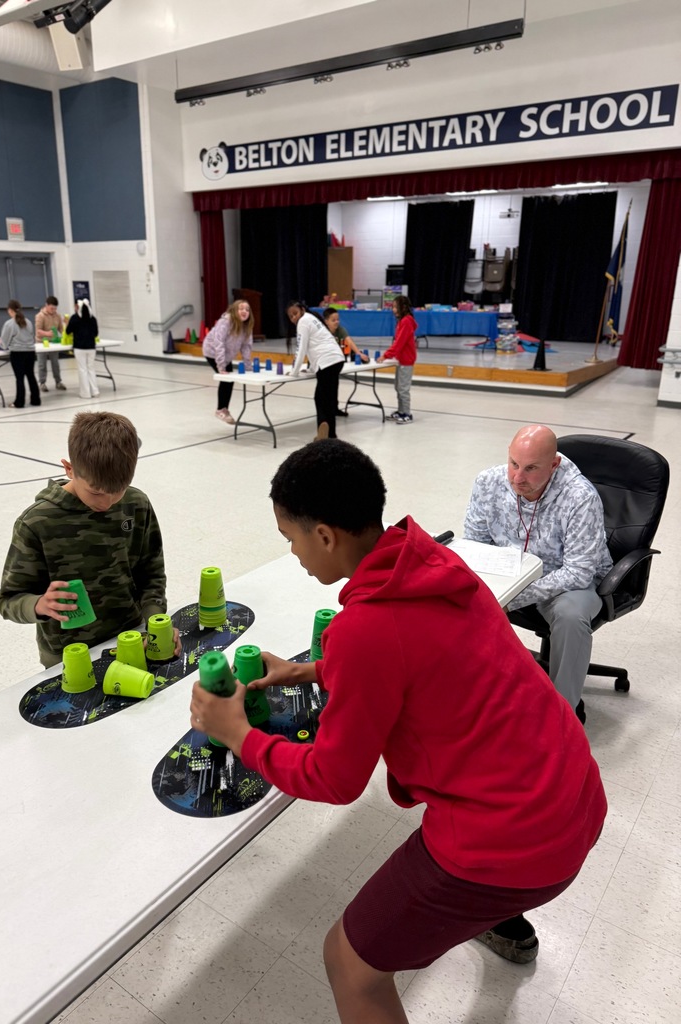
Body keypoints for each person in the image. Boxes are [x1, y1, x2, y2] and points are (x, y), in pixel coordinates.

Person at [190, 439, 606, 1024]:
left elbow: (333, 779)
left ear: (327, 536)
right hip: (575, 795)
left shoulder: (365, 630)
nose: (295, 554)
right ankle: (486, 916)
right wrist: (312, 668)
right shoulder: (428, 560)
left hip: (514, 840)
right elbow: (413, 650)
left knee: (348, 962)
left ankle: (485, 906)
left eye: (292, 539)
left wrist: (236, 733)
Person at [0, 411, 175, 668]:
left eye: (117, 491)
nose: (107, 502)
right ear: (69, 469)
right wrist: (39, 604)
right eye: (96, 492)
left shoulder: (136, 504)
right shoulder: (37, 523)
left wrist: (156, 624)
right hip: (68, 656)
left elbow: (151, 572)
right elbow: (8, 600)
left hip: (133, 637)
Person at [463, 423, 613, 723]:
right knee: (462, 601)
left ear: (554, 465)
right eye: (514, 464)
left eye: (531, 468)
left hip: (565, 580)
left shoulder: (580, 496)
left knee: (571, 616)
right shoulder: (488, 481)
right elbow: (474, 544)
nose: (518, 478)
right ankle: (480, 701)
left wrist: (511, 598)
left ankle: (561, 718)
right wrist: (488, 591)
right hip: (511, 570)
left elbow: (579, 572)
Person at [286, 300, 346, 440]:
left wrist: (294, 371)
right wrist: (312, 369)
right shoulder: (312, 318)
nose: (294, 318)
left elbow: (301, 349)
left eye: (295, 313)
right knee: (329, 399)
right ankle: (331, 434)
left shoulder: (303, 322)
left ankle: (322, 432)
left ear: (301, 309)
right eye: (290, 316)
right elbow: (315, 346)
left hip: (327, 362)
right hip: (337, 359)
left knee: (320, 398)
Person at [202, 299, 254, 424]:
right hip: (213, 352)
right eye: (241, 309)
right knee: (226, 379)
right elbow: (218, 342)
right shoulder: (225, 322)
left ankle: (223, 409)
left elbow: (246, 346)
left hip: (227, 355)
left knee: (229, 381)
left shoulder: (247, 326)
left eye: (247, 310)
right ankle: (221, 409)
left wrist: (248, 366)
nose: (244, 312)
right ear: (235, 311)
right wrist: (221, 366)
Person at [322, 306, 369, 418]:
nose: (336, 322)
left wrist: (358, 353)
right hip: (324, 362)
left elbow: (348, 340)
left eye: (338, 319)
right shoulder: (322, 332)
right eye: (333, 320)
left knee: (334, 386)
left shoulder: (340, 330)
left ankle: (334, 408)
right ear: (326, 321)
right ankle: (325, 411)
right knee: (326, 388)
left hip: (335, 362)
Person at [0, 299, 40, 409]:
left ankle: (19, 402)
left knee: (19, 378)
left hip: (17, 353)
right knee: (31, 375)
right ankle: (36, 399)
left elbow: (5, 343)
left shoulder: (9, 324)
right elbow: (31, 337)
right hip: (30, 352)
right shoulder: (28, 322)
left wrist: (0, 342)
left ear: (10, 310)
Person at [382, 294, 417, 424]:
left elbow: (399, 342)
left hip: (406, 360)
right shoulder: (402, 321)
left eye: (395, 307)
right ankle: (401, 411)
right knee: (398, 387)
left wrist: (386, 355)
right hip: (401, 360)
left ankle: (407, 413)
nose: (393, 309)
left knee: (403, 389)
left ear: (403, 307)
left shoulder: (406, 321)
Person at [66, 298, 100, 399]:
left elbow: (68, 331)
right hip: (91, 347)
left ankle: (85, 393)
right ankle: (95, 391)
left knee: (82, 370)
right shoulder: (92, 319)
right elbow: (96, 333)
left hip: (79, 347)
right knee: (91, 369)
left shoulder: (75, 318)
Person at [35, 295, 67, 392]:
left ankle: (58, 382)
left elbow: (61, 329)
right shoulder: (39, 316)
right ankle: (42, 383)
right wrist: (47, 333)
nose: (53, 310)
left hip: (53, 343)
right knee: (42, 364)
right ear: (46, 305)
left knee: (55, 363)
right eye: (52, 308)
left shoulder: (57, 316)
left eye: (55, 308)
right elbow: (38, 331)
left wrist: (66, 333)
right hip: (41, 343)